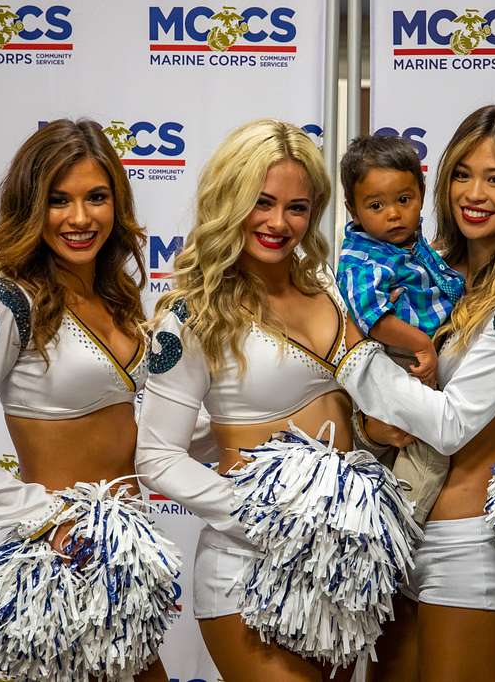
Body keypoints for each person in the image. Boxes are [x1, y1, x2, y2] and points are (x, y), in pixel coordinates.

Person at [135, 119, 415, 681]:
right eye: (261, 202)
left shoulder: (332, 289)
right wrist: (275, 521)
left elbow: (341, 409)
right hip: (249, 563)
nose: (278, 223)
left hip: (340, 566)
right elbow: (156, 456)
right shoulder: (191, 315)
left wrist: (372, 432)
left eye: (297, 207)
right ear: (229, 200)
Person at [0, 119, 175, 681]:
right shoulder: (6, 304)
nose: (80, 219)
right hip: (61, 567)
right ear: (31, 208)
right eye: (59, 201)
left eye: (96, 198)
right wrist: (50, 520)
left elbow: (145, 432)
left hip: (124, 570)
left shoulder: (117, 298)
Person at [336, 102, 495, 681]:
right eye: (463, 174)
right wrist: (370, 426)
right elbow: (390, 401)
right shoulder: (427, 267)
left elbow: (450, 423)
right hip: (395, 530)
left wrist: (351, 357)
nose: (475, 193)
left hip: (468, 540)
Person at [336, 134, 464, 386]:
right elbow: (373, 318)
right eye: (376, 206)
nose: (394, 214)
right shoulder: (363, 260)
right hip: (401, 356)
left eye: (404, 200)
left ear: (422, 193)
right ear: (353, 210)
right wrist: (421, 344)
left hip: (439, 344)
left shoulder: (408, 240)